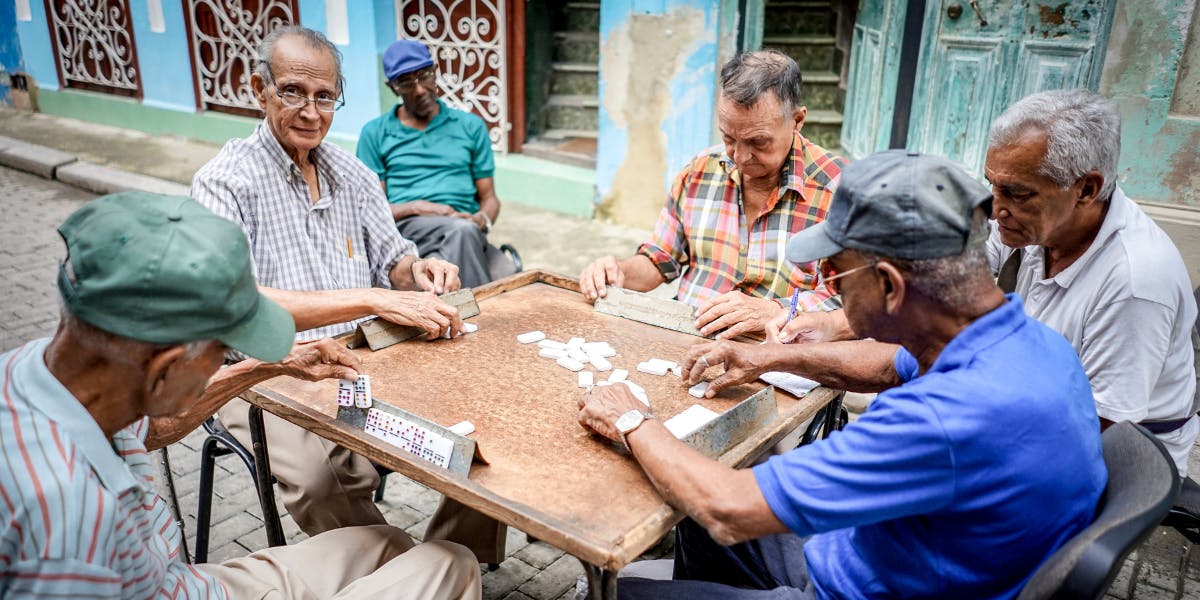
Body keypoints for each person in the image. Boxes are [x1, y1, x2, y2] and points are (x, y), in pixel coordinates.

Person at [578, 151, 1106, 599]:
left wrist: (631, 418)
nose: (823, 284)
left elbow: (729, 508)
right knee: (694, 504)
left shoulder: (938, 420)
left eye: (835, 275)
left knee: (620, 589)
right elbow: (884, 363)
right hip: (893, 552)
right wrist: (768, 358)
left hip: (849, 586)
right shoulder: (1032, 344)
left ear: (892, 287)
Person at [0, 191, 480, 599]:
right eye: (222, 352)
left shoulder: (45, 368)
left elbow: (152, 428)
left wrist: (267, 366)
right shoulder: (66, 527)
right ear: (164, 370)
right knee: (450, 563)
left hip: (182, 582)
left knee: (388, 544)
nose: (223, 362)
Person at [191, 26, 506, 563]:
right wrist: (373, 299)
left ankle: (454, 560)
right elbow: (236, 302)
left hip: (359, 356)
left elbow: (394, 261)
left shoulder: (352, 174)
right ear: (258, 88)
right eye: (292, 92)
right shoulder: (225, 181)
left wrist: (421, 269)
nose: (311, 112)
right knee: (322, 478)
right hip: (267, 370)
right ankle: (404, 575)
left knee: (488, 421)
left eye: (325, 97)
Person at [773, 89, 1199, 476]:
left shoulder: (1135, 282)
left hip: (1102, 458)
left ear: (1086, 189)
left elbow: (1096, 430)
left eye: (1017, 193)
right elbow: (932, 290)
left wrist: (934, 452)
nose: (996, 209)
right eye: (992, 186)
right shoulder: (1034, 223)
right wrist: (833, 326)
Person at [578, 50, 844, 340]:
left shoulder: (839, 190)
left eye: (758, 142)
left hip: (777, 358)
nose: (740, 157)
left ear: (797, 120)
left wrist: (776, 310)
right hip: (686, 338)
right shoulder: (699, 171)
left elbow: (854, 306)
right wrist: (618, 272)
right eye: (729, 138)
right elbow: (661, 258)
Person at [357, 39, 510, 289]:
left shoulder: (470, 126)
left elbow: (490, 198)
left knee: (507, 271)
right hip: (409, 231)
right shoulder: (375, 133)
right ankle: (476, 322)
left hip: (466, 229)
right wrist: (419, 207)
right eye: (406, 82)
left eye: (424, 76)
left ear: (435, 72)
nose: (419, 90)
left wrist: (481, 220)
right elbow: (372, 211)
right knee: (468, 245)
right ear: (393, 87)